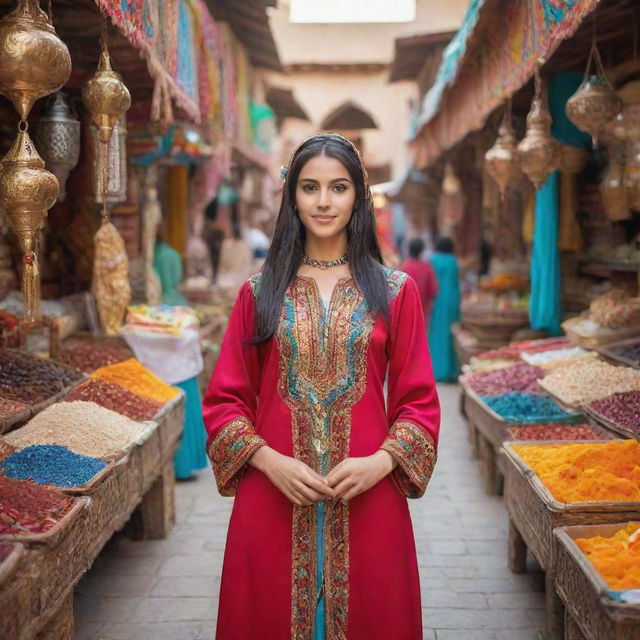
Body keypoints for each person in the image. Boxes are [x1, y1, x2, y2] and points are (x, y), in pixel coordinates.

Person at [203, 133, 440, 639]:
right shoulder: (258, 292)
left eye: (339, 187)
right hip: (270, 497)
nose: (324, 201)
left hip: (369, 498)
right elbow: (225, 400)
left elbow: (418, 402)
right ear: (292, 196)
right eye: (310, 187)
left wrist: (382, 462)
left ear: (359, 195)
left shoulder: (396, 292)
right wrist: (268, 460)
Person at [428, 237, 461, 382]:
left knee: (435, 335)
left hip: (435, 302)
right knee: (449, 335)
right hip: (449, 301)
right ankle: (449, 371)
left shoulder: (432, 260)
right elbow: (455, 285)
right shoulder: (452, 261)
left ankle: (435, 371)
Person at [400, 237, 438, 330]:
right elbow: (433, 290)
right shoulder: (427, 267)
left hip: (405, 313)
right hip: (422, 311)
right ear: (422, 251)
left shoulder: (403, 268)